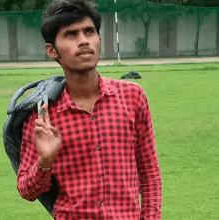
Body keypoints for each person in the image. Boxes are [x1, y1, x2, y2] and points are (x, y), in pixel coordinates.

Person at [17, 0, 162, 219]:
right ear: (51, 50)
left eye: (89, 31)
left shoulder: (132, 97)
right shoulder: (41, 113)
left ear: (99, 40)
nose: (84, 41)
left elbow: (149, 174)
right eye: (71, 34)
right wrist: (45, 161)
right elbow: (26, 191)